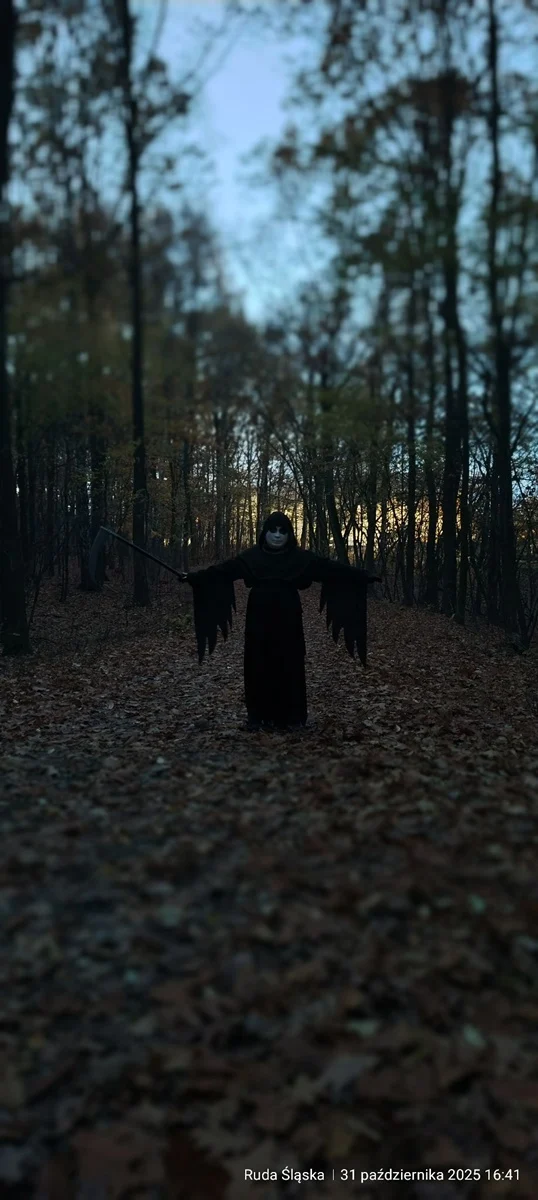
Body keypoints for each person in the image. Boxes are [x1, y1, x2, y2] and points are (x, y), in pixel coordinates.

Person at [185, 511, 380, 731]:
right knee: (257, 662)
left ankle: (291, 717)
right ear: (265, 533)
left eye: (282, 531)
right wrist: (195, 577)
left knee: (290, 662)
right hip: (258, 618)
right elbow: (222, 571)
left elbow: (330, 569)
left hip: (288, 617)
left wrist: (361, 576)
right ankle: (258, 717)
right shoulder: (251, 557)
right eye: (273, 530)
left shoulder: (301, 559)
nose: (277, 535)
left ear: (289, 535)